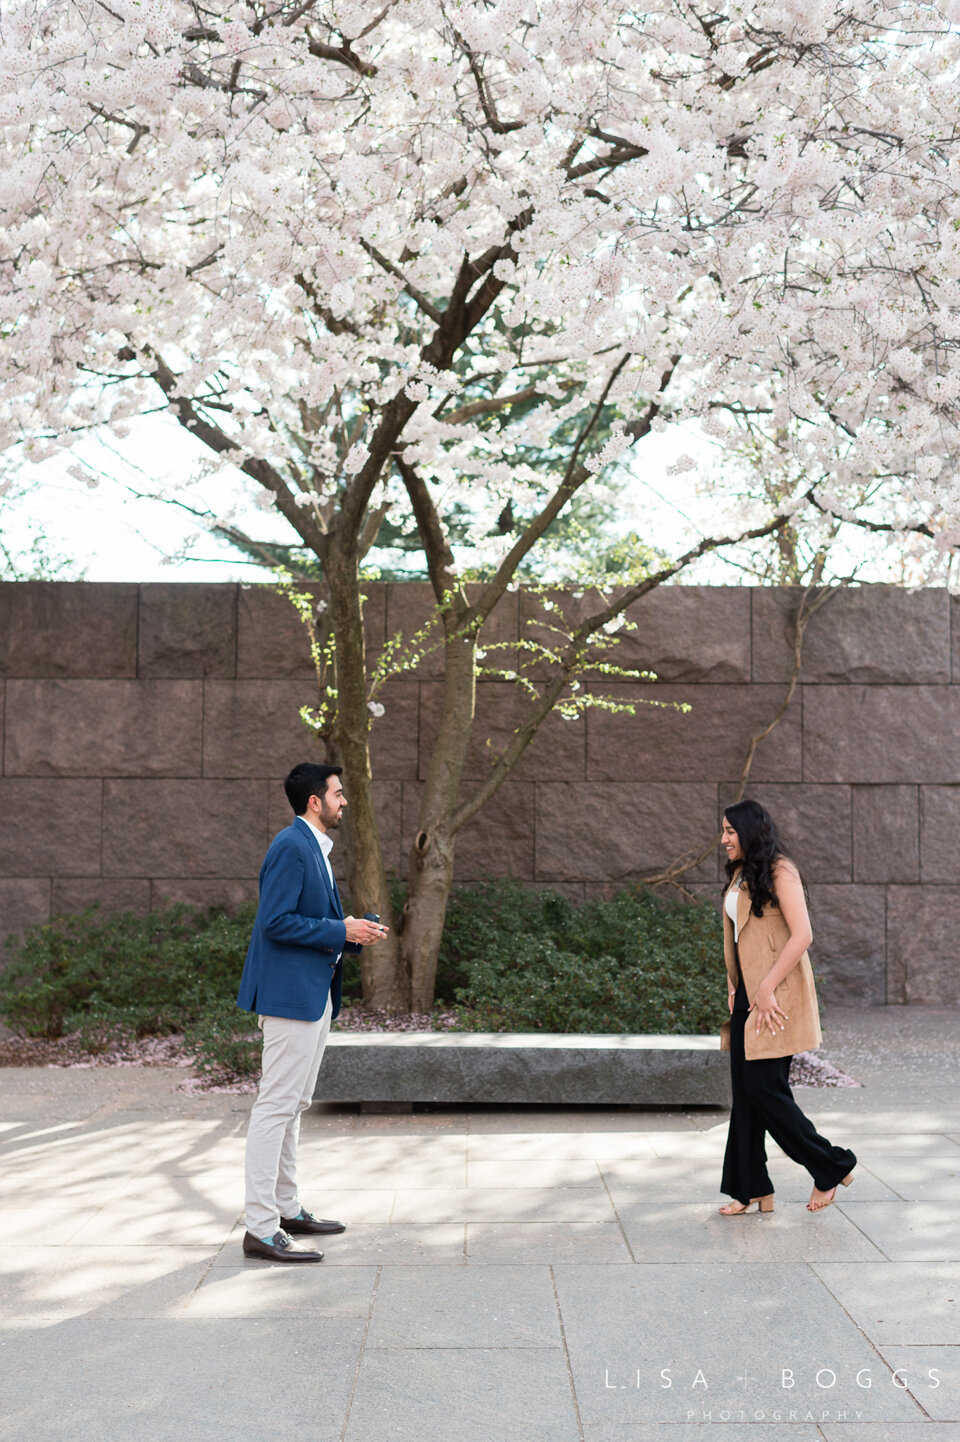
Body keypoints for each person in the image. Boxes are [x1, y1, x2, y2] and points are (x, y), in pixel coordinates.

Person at [237, 761, 388, 1262]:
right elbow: (275, 921)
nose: (345, 801)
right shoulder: (291, 846)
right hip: (289, 998)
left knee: (294, 1104)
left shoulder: (313, 848)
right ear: (314, 802)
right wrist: (339, 930)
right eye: (339, 794)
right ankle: (260, 1227)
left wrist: (351, 931)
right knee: (275, 1107)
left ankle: (285, 1207)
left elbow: (310, 922)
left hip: (311, 995)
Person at [718, 798, 856, 1216]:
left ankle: (830, 1165)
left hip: (774, 997)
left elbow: (802, 935)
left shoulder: (781, 870)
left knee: (764, 1091)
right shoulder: (742, 875)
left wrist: (765, 987)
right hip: (750, 994)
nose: (723, 839)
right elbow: (741, 934)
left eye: (729, 831)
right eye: (723, 831)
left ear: (749, 831)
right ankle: (750, 1187)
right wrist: (734, 983)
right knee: (745, 1093)